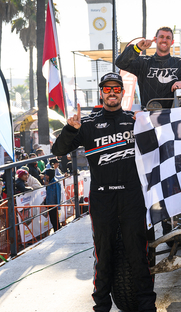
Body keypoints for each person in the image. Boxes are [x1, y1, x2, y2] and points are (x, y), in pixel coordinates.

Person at [51, 72, 156, 312]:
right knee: (103, 256)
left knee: (138, 254)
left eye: (116, 88)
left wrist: (147, 125)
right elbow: (58, 150)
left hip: (131, 196)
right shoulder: (86, 123)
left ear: (122, 92)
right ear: (102, 92)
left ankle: (148, 307)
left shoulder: (135, 119)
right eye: (107, 89)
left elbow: (157, 146)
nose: (112, 92)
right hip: (102, 197)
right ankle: (101, 307)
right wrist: (70, 128)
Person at [116, 26, 181, 108]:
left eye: (168, 38)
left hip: (174, 117)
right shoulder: (143, 63)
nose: (164, 40)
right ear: (155, 39)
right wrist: (137, 48)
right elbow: (120, 63)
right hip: (148, 116)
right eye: (161, 37)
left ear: (172, 42)